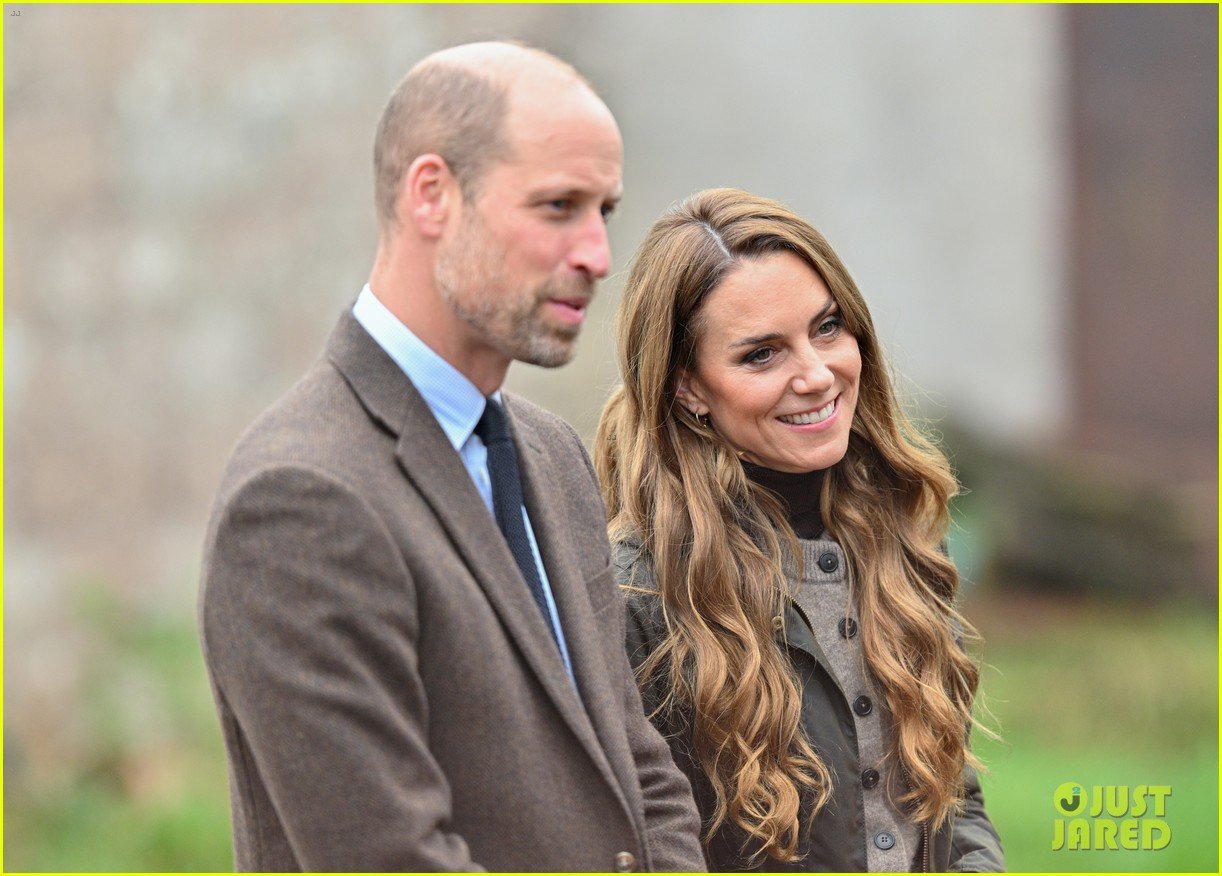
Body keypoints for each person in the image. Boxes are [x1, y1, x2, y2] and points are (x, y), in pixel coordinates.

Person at [198, 42, 705, 872]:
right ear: (431, 194)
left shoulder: (550, 455)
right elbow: (388, 856)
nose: (597, 255)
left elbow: (641, 773)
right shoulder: (298, 498)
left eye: (603, 211)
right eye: (557, 207)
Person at [594, 188, 1005, 872]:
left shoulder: (901, 546)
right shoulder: (637, 600)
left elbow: (952, 804)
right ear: (688, 387)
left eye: (828, 328)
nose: (816, 375)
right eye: (762, 355)